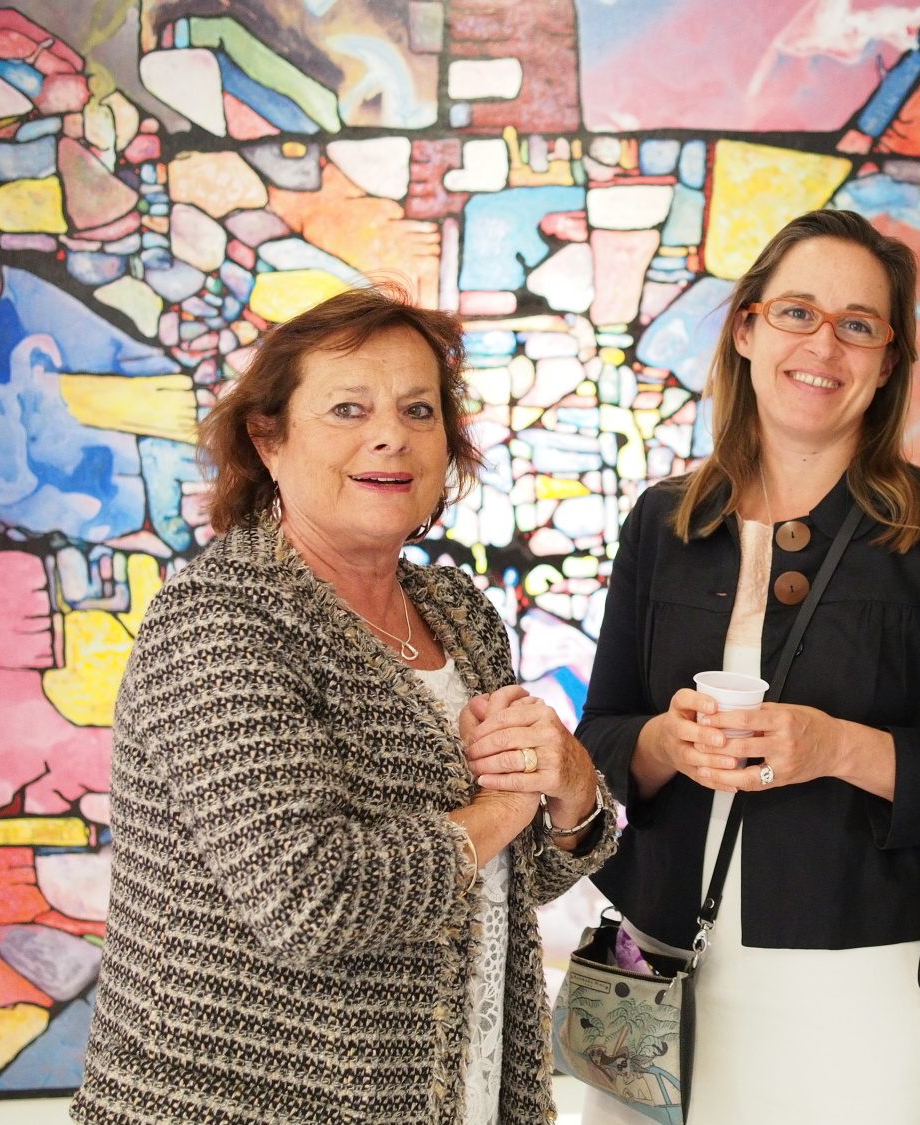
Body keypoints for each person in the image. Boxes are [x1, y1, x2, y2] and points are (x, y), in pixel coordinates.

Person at [73, 285, 616, 1124]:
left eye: (418, 409)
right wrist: (505, 806)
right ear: (269, 439)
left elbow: (501, 880)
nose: (391, 434)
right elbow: (309, 900)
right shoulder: (223, 618)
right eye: (348, 409)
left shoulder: (458, 614)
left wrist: (574, 791)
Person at [576, 209, 920, 1123]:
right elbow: (597, 737)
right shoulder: (661, 522)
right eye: (797, 312)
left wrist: (837, 747)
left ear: (888, 360)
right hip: (660, 966)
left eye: (859, 324)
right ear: (747, 329)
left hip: (878, 980)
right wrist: (662, 742)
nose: (824, 345)